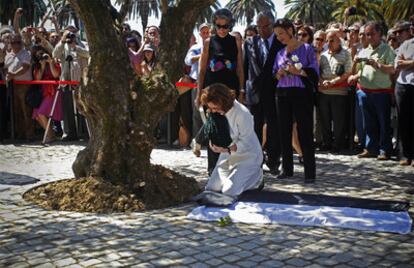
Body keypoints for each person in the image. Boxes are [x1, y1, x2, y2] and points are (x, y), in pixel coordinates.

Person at [197, 8, 244, 175]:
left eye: (225, 26)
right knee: (214, 128)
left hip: (231, 91)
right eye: (218, 26)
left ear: (230, 25)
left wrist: (242, 89)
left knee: (232, 129)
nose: (222, 29)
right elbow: (202, 70)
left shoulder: (236, 40)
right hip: (212, 91)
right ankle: (212, 168)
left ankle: (231, 165)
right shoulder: (208, 42)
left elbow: (239, 67)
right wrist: (198, 95)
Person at [273, 18, 319, 183]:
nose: (279, 38)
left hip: (301, 93)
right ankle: (287, 169)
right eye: (277, 35)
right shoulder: (279, 53)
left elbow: (314, 71)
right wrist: (279, 73)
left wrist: (299, 72)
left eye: (281, 34)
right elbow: (274, 75)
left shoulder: (306, 49)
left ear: (290, 30)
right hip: (282, 93)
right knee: (284, 131)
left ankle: (309, 172)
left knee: (304, 132)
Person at [201, 83, 263, 197]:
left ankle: (257, 177)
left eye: (215, 107)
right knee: (211, 189)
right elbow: (214, 132)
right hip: (227, 157)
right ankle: (234, 178)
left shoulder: (242, 113)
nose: (213, 111)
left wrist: (228, 148)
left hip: (248, 157)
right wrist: (213, 143)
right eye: (210, 108)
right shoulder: (215, 112)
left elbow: (247, 143)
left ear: (223, 102)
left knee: (229, 192)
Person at [243, 11, 284, 175]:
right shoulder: (250, 42)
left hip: (274, 90)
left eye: (265, 26)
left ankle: (274, 161)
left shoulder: (280, 43)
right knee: (255, 128)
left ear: (272, 25)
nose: (262, 30)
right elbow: (246, 66)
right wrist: (243, 89)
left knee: (274, 127)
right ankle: (256, 161)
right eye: (259, 26)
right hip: (255, 91)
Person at [354, 21, 396, 160]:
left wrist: (377, 64)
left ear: (380, 33)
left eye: (372, 34)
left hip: (381, 92)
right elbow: (358, 71)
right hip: (364, 92)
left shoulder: (387, 50)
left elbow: (392, 69)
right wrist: (355, 62)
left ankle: (385, 149)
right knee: (369, 122)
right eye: (367, 34)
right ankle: (370, 148)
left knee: (383, 122)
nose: (369, 37)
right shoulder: (364, 50)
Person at [318, 30, 352, 153]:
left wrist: (332, 82)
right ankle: (327, 143)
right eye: (327, 40)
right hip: (324, 92)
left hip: (339, 92)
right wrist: (322, 82)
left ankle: (337, 144)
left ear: (339, 41)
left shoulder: (346, 54)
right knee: (325, 120)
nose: (329, 43)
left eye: (332, 40)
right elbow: (318, 71)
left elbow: (348, 72)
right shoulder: (323, 55)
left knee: (338, 120)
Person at [53, 29, 89, 141]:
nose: (71, 36)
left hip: (80, 81)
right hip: (66, 80)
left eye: (73, 34)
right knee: (68, 108)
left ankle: (85, 132)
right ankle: (70, 133)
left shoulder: (81, 44)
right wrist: (62, 41)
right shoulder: (63, 45)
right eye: (69, 34)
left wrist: (75, 47)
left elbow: (88, 54)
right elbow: (55, 54)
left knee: (83, 107)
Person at [4, 34, 34, 141]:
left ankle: (29, 134)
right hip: (13, 86)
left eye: (18, 42)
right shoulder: (8, 55)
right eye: (13, 43)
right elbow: (6, 68)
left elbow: (25, 68)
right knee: (16, 111)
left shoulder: (26, 53)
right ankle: (20, 133)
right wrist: (8, 75)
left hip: (24, 85)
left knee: (26, 110)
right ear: (10, 44)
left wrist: (13, 74)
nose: (16, 45)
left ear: (21, 43)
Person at [31, 45, 62, 143]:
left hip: (53, 92)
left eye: (41, 53)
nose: (40, 56)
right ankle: (51, 135)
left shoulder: (53, 61)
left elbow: (56, 75)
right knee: (36, 114)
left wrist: (50, 63)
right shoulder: (37, 65)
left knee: (41, 113)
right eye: (37, 55)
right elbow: (37, 79)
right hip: (43, 92)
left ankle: (50, 135)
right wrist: (43, 66)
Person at [394, 22, 414, 166]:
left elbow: (403, 63)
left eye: (401, 31)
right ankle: (406, 155)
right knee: (404, 121)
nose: (398, 34)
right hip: (402, 85)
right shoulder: (406, 44)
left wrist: (406, 62)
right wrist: (409, 63)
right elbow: (397, 64)